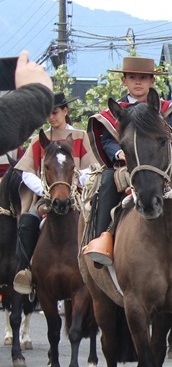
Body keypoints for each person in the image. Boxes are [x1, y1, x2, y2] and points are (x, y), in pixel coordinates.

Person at [81, 56, 172, 267]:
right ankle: (103, 240)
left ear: (152, 82)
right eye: (133, 77)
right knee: (108, 181)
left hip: (161, 162)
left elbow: (169, 140)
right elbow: (107, 141)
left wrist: (160, 158)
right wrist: (119, 153)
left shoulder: (164, 109)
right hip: (128, 164)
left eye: (144, 78)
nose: (138, 82)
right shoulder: (116, 113)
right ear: (124, 81)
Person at [11, 92, 97, 294]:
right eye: (48, 113)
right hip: (46, 198)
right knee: (26, 223)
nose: (51, 117)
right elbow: (26, 172)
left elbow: (92, 167)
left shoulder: (80, 136)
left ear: (65, 111)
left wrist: (72, 182)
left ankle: (99, 269)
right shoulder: (38, 140)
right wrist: (45, 188)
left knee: (98, 221)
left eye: (55, 112)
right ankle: (26, 272)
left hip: (78, 196)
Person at [0, 51, 55, 154]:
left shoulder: (78, 134)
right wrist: (37, 93)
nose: (52, 117)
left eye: (55, 112)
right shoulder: (39, 138)